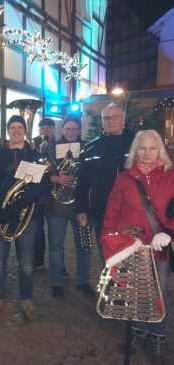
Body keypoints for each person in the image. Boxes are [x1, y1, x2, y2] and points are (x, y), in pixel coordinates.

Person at [102, 130, 174, 363]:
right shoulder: (124, 178)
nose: (147, 153)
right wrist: (110, 241)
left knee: (159, 293)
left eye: (153, 148)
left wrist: (168, 232)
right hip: (130, 246)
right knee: (135, 292)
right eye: (142, 148)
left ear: (160, 150)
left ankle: (158, 334)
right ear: (135, 150)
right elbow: (112, 211)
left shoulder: (171, 177)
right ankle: (139, 330)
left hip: (158, 247)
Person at [0, 115, 48, 320]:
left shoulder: (35, 155)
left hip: (27, 216)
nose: (17, 130)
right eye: (13, 127)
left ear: (25, 131)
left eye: (20, 127)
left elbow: (43, 183)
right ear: (8, 131)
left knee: (26, 261)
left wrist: (24, 200)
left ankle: (27, 298)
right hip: (1, 215)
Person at [76, 102, 134, 264]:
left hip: (131, 213)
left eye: (115, 117)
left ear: (123, 119)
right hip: (100, 212)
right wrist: (81, 209)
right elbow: (82, 182)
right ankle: (111, 288)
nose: (110, 121)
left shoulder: (137, 144)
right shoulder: (91, 148)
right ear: (102, 121)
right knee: (108, 257)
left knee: (132, 256)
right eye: (106, 118)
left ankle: (130, 289)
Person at [46, 113, 95, 299]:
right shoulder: (51, 148)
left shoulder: (89, 148)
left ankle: (83, 281)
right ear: (62, 129)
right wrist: (55, 178)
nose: (71, 132)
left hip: (82, 208)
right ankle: (56, 282)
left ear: (80, 130)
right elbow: (42, 174)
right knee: (55, 246)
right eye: (68, 129)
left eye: (75, 129)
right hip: (56, 207)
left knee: (84, 245)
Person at [32, 118, 56, 269]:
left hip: (55, 195)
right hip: (39, 196)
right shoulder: (33, 145)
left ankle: (58, 266)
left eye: (49, 127)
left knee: (55, 234)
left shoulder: (60, 144)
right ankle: (38, 259)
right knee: (38, 231)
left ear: (54, 129)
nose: (45, 130)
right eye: (42, 128)